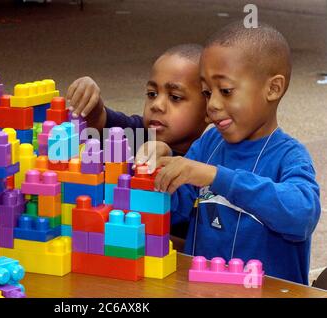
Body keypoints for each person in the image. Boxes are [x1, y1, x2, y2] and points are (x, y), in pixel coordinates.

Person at [150, 21, 320, 284]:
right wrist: (152, 172)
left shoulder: (290, 156)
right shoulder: (207, 146)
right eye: (207, 93)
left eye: (226, 91)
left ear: (272, 88)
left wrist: (217, 177)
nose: (213, 105)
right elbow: (176, 210)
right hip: (202, 289)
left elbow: (301, 215)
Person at [66, 44, 209, 239]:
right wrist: (90, 97)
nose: (157, 105)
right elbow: (100, 120)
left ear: (210, 107)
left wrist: (167, 163)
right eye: (152, 94)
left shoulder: (209, 161)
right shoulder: (140, 134)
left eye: (175, 97)